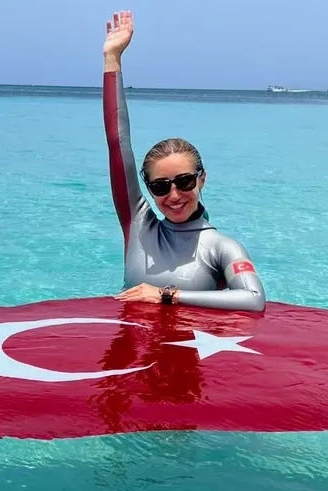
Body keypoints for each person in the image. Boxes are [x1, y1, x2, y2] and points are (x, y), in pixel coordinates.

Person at [103, 11, 266, 312]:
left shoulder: (222, 247)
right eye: (160, 186)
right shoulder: (139, 226)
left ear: (202, 178)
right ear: (149, 189)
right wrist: (112, 59)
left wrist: (168, 295)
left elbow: (253, 299)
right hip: (131, 345)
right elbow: (118, 143)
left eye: (185, 181)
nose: (174, 195)